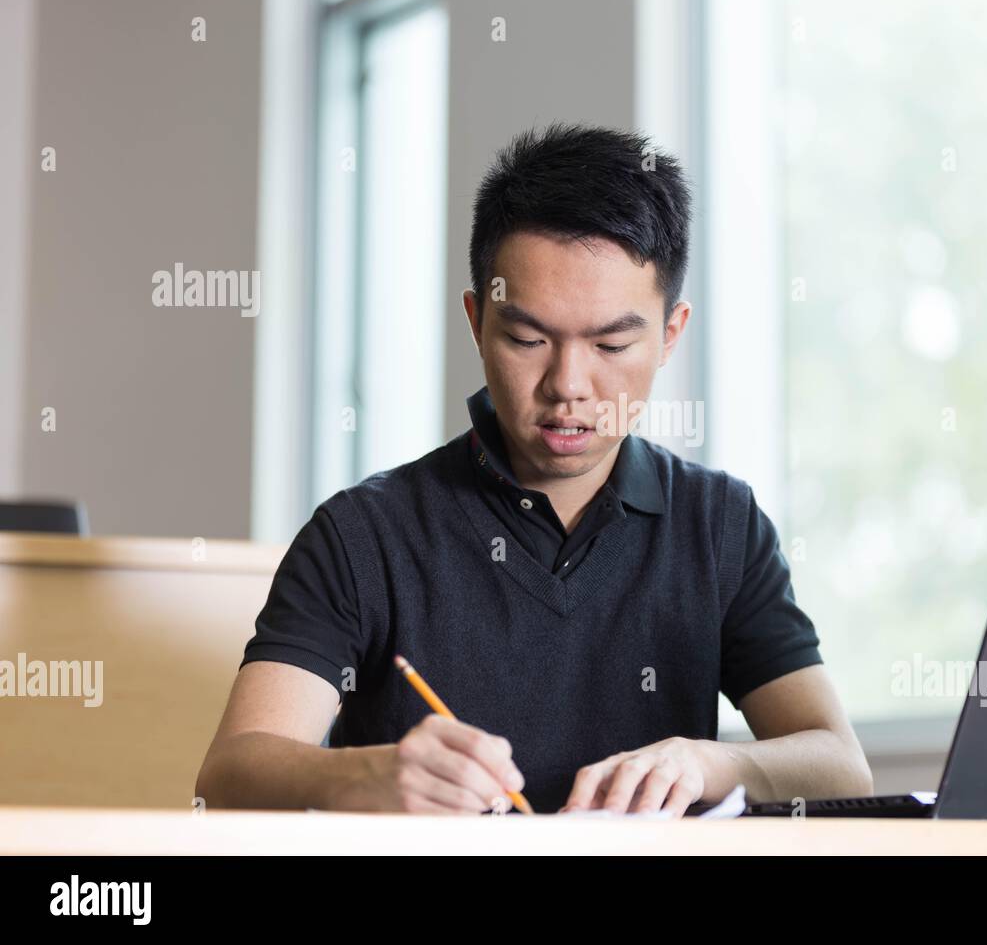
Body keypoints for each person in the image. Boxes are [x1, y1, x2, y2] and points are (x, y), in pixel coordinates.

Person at [195, 122, 873, 816]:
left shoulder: (718, 526)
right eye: (527, 338)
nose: (567, 384)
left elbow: (839, 765)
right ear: (476, 321)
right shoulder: (364, 534)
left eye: (611, 343)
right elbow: (230, 772)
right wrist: (367, 776)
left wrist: (707, 763)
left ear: (671, 334)